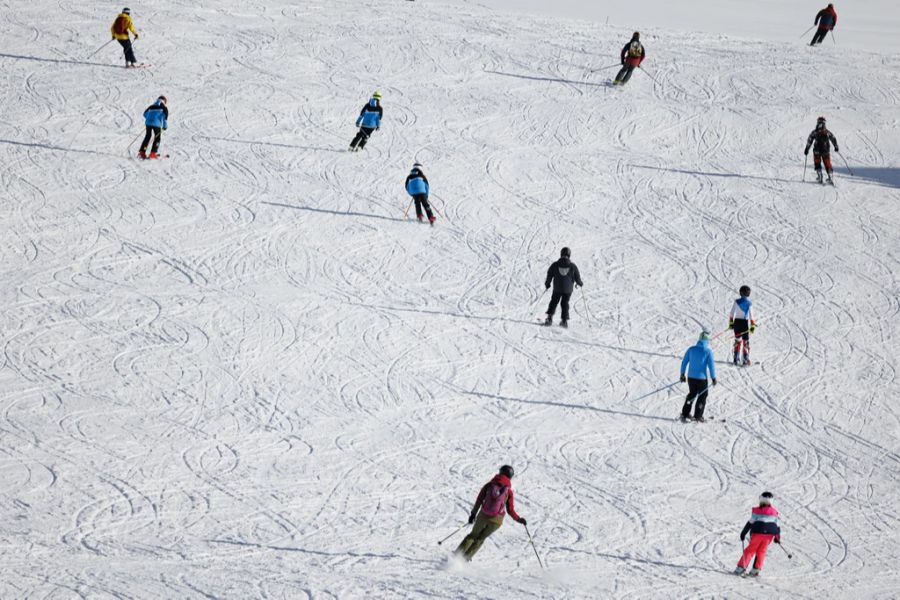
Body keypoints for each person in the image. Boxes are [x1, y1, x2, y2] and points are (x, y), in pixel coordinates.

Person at [454, 465, 526, 562]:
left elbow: (479, 500)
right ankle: (466, 558)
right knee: (481, 539)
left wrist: (473, 514)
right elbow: (510, 510)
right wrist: (519, 519)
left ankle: (456, 556)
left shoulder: (489, 485)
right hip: (497, 521)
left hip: (483, 515)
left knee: (473, 535)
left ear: (500, 472)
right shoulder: (509, 491)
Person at [735, 491, 782, 577]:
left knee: (751, 549)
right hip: (769, 535)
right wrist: (777, 537)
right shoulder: (774, 512)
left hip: (758, 533)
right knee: (761, 551)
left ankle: (741, 567)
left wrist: (743, 533)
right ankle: (756, 570)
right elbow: (777, 526)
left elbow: (750, 522)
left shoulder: (757, 511)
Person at [679, 330, 717, 422]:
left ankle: (685, 413)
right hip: (702, 379)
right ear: (707, 341)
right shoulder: (708, 352)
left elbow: (684, 362)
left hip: (691, 378)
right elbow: (711, 366)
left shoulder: (691, 349)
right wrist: (713, 378)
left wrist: (682, 374)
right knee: (702, 396)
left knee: (692, 394)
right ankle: (698, 415)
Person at [544, 247, 583, 328]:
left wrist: (547, 283)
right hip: (568, 289)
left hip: (557, 288)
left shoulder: (555, 265)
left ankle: (549, 318)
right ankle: (564, 321)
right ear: (569, 255)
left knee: (554, 302)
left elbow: (549, 274)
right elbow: (577, 277)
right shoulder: (572, 266)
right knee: (565, 303)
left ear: (561, 254)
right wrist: (580, 283)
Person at [804, 116, 839, 184]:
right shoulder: (826, 132)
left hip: (816, 150)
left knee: (817, 162)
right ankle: (830, 176)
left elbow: (810, 140)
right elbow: (833, 138)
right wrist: (836, 146)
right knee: (827, 162)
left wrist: (807, 149)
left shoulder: (815, 132)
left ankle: (820, 176)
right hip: (826, 150)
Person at [728, 285, 756, 366]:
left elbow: (731, 313)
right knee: (745, 341)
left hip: (736, 323)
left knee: (737, 340)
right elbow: (751, 315)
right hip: (744, 324)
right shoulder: (749, 303)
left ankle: (736, 358)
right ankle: (745, 359)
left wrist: (731, 323)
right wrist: (752, 326)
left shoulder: (736, 302)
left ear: (740, 293)